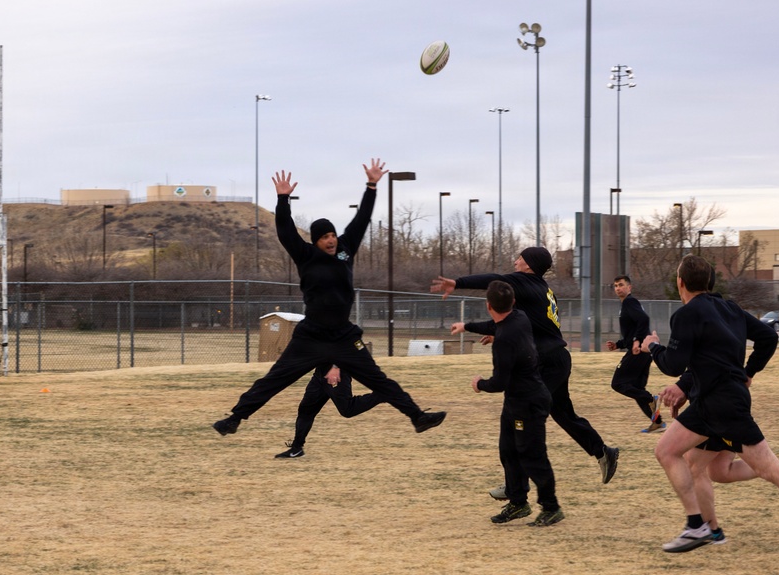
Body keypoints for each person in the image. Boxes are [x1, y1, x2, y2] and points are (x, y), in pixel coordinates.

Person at [212, 160, 446, 439]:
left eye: (333, 234)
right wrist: (283, 200)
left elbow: (361, 219)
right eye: (325, 237)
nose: (331, 239)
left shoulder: (346, 250)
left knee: (379, 380)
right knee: (274, 380)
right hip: (310, 337)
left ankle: (417, 417)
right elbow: (285, 230)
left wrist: (371, 186)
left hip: (344, 337)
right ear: (315, 240)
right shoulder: (306, 255)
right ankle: (235, 418)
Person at [432, 247, 618, 499]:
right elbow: (523, 322)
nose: (516, 261)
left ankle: (516, 489)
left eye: (520, 258)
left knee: (517, 419)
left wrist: (458, 283)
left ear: (529, 265)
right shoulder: (539, 287)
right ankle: (602, 451)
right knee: (562, 414)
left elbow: (493, 280)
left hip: (547, 363)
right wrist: (486, 329)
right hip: (556, 359)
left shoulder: (525, 282)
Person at [641, 255, 779, 553]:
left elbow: (673, 364)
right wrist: (748, 372)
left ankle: (697, 526)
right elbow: (767, 337)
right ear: (710, 283)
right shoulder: (729, 308)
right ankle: (709, 530)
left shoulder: (687, 314)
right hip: (713, 400)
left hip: (721, 404)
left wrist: (652, 347)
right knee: (694, 463)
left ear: (680, 283)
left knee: (769, 470)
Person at [466, 281, 564, 527]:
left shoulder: (504, 341)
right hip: (516, 402)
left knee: (532, 456)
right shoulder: (519, 317)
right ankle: (518, 502)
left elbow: (499, 382)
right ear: (513, 303)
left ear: (488, 306)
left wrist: (480, 384)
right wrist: (467, 326)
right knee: (508, 451)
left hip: (528, 403)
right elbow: (495, 325)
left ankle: (551, 508)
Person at [274, 364, 383, 458]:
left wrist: (336, 367)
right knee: (306, 410)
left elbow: (344, 345)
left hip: (336, 373)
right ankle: (296, 448)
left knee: (347, 409)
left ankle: (382, 395)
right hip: (320, 374)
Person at [606, 275, 664, 433]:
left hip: (638, 351)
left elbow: (644, 319)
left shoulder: (630, 302)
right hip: (643, 352)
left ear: (629, 287)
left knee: (617, 383)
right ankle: (657, 423)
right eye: (615, 285)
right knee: (637, 388)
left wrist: (637, 341)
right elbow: (631, 332)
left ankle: (651, 400)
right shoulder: (627, 305)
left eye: (621, 285)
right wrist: (618, 344)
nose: (618, 288)